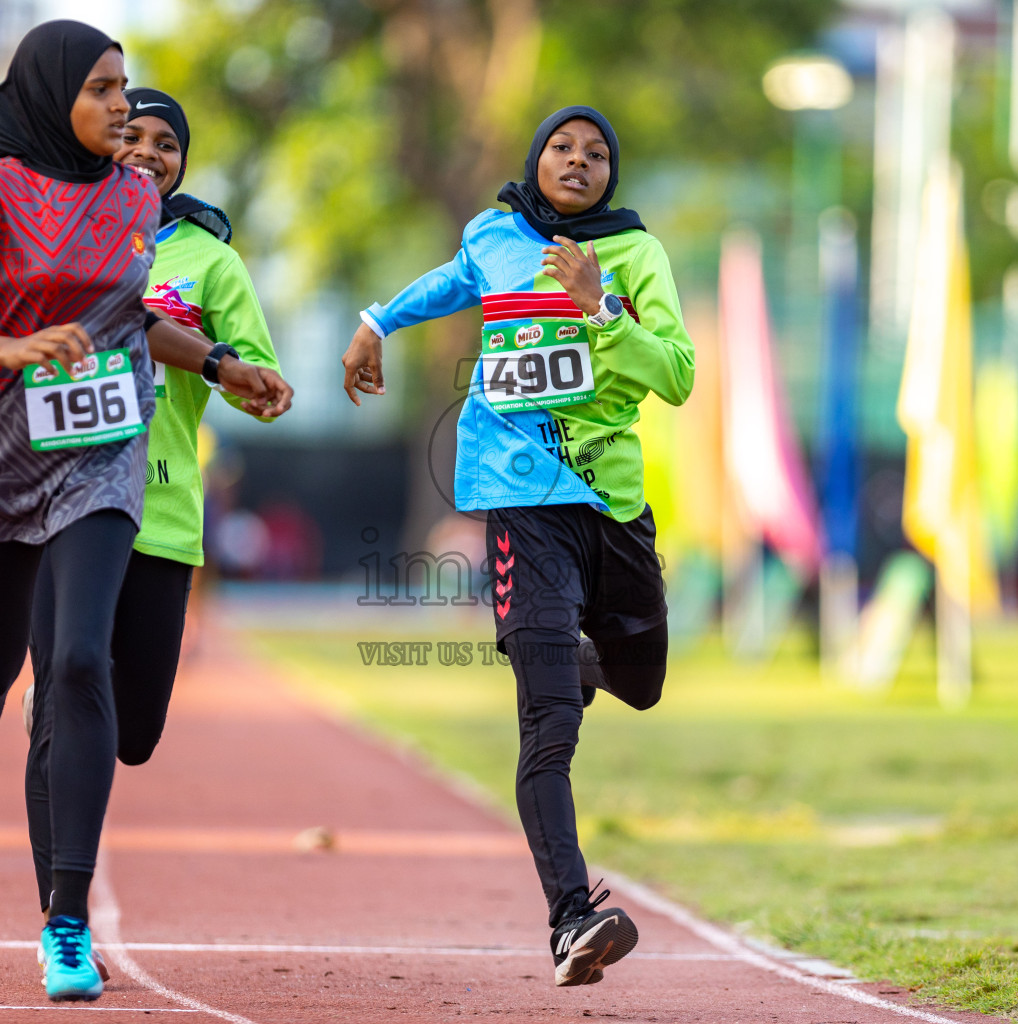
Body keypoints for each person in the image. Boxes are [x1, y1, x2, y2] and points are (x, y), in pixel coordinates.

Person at [0, 21, 277, 1002]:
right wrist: (9, 353)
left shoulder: (135, 198)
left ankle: (66, 919)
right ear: (54, 93)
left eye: (127, 88)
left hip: (104, 450)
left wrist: (226, 367)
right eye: (103, 89)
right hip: (0, 448)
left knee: (75, 661)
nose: (122, 109)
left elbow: (133, 318)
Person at [341, 105, 694, 987]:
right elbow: (451, 281)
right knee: (548, 728)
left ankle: (575, 668)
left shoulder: (635, 255)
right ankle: (574, 918)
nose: (578, 161)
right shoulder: (495, 238)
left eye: (598, 152)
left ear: (614, 174)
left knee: (642, 684)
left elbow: (677, 376)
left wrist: (600, 304)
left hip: (610, 506)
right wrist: (377, 324)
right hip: (519, 504)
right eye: (562, 148)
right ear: (536, 159)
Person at [23, 88, 291, 951]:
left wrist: (253, 383)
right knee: (69, 688)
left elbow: (255, 373)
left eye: (165, 141)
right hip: (60, 496)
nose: (145, 150)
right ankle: (62, 915)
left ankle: (64, 714)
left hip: (162, 506)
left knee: (132, 732)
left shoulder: (211, 263)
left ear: (184, 161)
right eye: (130, 133)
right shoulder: (53, 227)